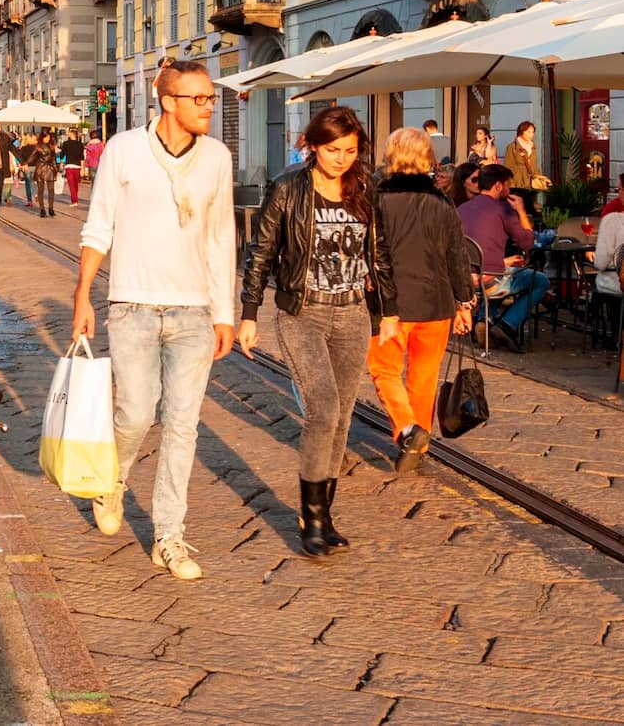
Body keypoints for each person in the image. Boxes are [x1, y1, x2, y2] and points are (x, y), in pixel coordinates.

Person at [73, 60, 236, 581]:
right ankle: (113, 480)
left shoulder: (217, 157)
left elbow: (219, 236)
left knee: (183, 426)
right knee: (136, 412)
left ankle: (169, 537)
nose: (209, 106)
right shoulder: (123, 150)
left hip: (193, 310)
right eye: (199, 99)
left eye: (211, 98)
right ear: (168, 102)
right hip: (132, 306)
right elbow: (99, 227)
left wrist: (224, 311)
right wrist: (82, 295)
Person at [240, 106, 399, 557]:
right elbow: (262, 250)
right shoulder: (289, 188)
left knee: (344, 416)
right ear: (313, 145)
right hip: (302, 313)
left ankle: (324, 514)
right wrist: (249, 312)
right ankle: (309, 519)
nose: (341, 159)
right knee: (323, 410)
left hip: (352, 314)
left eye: (350, 150)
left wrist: (388, 312)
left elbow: (379, 253)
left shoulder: (365, 189)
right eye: (333, 150)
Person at [371, 128, 475, 474]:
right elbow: (457, 255)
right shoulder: (442, 203)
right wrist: (465, 302)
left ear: (391, 155)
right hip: (435, 304)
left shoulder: (376, 199)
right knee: (423, 378)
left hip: (390, 305)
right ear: (427, 158)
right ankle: (421, 445)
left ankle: (408, 428)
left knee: (384, 370)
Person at [458, 164, 550, 351]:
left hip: (463, 280)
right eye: (508, 185)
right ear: (499, 186)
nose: (509, 190)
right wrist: (521, 210)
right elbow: (527, 242)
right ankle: (508, 324)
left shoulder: (462, 209)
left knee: (505, 270)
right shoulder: (503, 209)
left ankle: (487, 319)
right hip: (490, 279)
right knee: (540, 281)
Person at [504, 121, 545, 199]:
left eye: (533, 132)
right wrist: (512, 183)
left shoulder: (532, 147)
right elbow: (508, 166)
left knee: (530, 206)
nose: (532, 134)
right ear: (521, 132)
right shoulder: (512, 147)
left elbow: (534, 165)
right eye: (529, 132)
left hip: (531, 182)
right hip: (518, 183)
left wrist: (540, 178)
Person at [29, 132, 59, 218]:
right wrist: (25, 163)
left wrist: (56, 169)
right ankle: (42, 209)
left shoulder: (52, 145)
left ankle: (51, 208)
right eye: (47, 137)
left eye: (49, 137)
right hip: (41, 168)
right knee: (40, 190)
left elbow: (53, 158)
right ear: (42, 137)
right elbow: (32, 156)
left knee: (51, 190)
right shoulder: (38, 146)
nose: (48, 139)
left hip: (50, 168)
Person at [60, 128, 87, 207]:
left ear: (72, 135)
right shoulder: (80, 144)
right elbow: (82, 157)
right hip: (77, 166)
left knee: (72, 184)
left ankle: (74, 200)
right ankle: (74, 199)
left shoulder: (66, 143)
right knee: (75, 184)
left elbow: (62, 154)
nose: (68, 134)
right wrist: (82, 168)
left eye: (69, 133)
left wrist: (61, 163)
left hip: (69, 166)